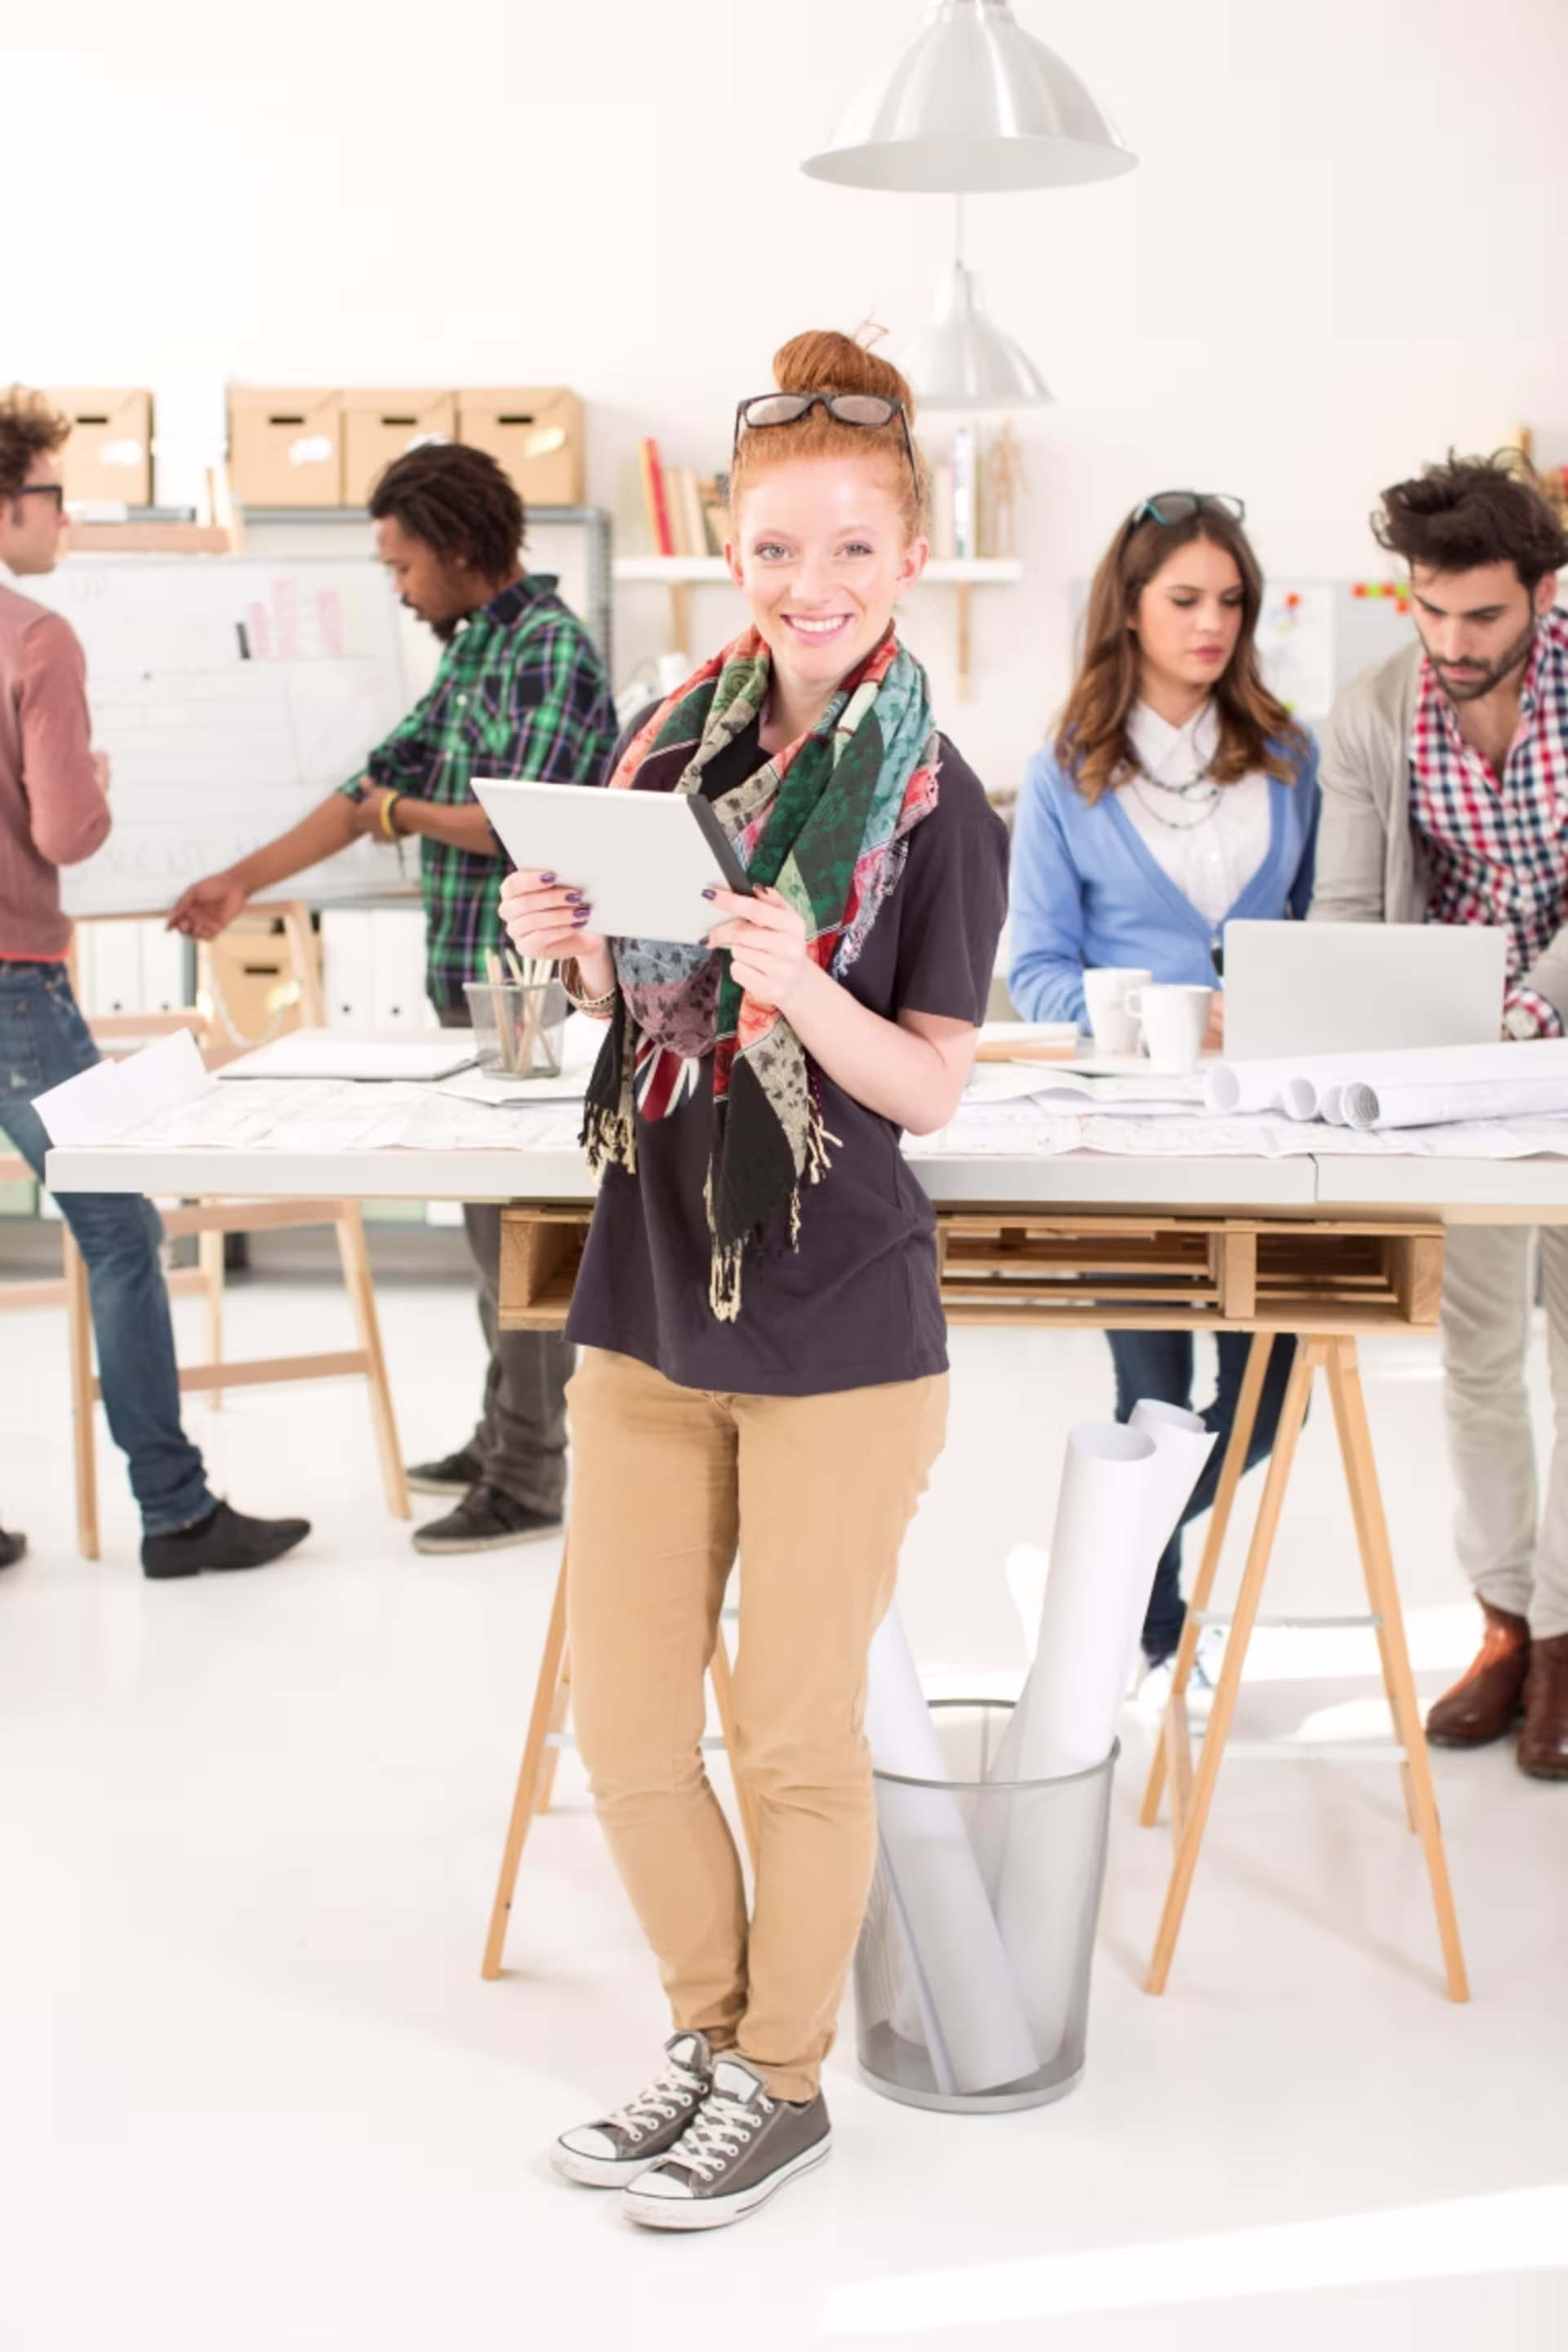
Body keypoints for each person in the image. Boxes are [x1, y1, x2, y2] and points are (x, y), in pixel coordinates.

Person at [500, 330, 1007, 2229]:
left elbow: (933, 1084)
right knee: (625, 1727)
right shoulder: (662, 753)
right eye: (778, 549)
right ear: (733, 552)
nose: (813, 589)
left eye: (854, 551)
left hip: (839, 1322)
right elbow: (626, 1010)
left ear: (911, 558)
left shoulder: (942, 799)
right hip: (649, 1291)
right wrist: (566, 940)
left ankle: (779, 2080)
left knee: (791, 1730)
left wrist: (803, 983)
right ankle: (713, 2044)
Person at [170, 443, 617, 1555]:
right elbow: (363, 791)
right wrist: (240, 883)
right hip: (471, 991)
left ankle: (530, 1474)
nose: (399, 587)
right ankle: (505, 1434)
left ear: (461, 550)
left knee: (517, 1239)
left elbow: (531, 818)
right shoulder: (472, 655)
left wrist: (405, 817)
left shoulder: (550, 651)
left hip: (534, 998)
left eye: (403, 564)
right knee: (486, 1236)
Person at [1008, 492, 1320, 1709]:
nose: (1212, 624)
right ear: (1128, 610)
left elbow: (1319, 931)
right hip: (1132, 1129)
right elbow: (1034, 967)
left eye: (1230, 601)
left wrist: (1279, 999)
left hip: (1270, 1120)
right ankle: (1145, 1615)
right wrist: (1159, 1012)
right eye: (1185, 599)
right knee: (1150, 1390)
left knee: (1265, 1398)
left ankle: (1101, 1568)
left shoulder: (1288, 756)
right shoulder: (1065, 769)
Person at [0, 385, 309, 1577]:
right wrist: (94, 778)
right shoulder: (36, 638)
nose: (65, 519)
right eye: (51, 495)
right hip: (15, 985)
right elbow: (72, 834)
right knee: (120, 1228)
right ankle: (175, 1513)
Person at [1311, 452, 1568, 1780]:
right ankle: (1506, 1621)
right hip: (1457, 1079)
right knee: (1476, 1357)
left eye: (1485, 616)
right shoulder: (1373, 712)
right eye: (1431, 610)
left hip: (1561, 1046)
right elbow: (1351, 912)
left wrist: (1529, 1009)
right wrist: (1326, 1023)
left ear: (1539, 596)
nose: (1455, 644)